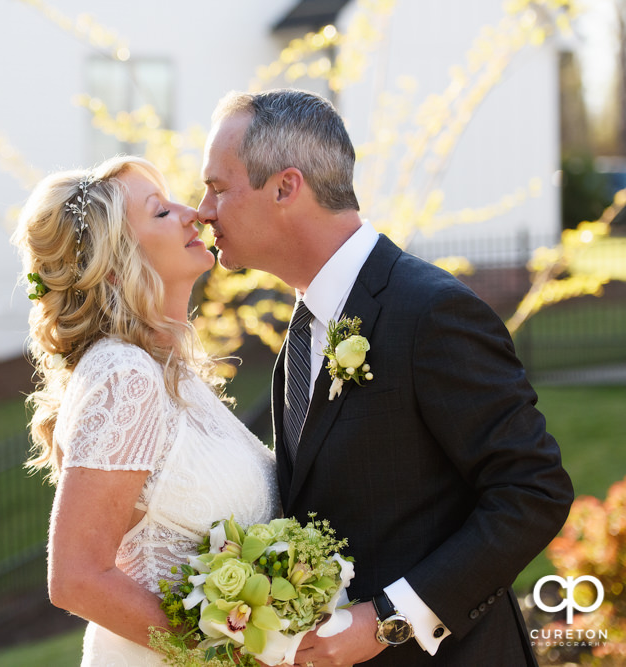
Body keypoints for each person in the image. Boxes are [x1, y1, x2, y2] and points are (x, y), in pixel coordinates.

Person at [197, 89, 574, 666]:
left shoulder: (431, 313)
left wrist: (390, 620)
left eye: (218, 188)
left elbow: (533, 490)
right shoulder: (301, 332)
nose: (203, 210)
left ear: (285, 188)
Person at [11, 155, 281, 666]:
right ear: (114, 266)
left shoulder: (172, 374)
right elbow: (77, 578)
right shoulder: (123, 375)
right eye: (160, 212)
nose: (192, 214)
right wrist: (229, 654)